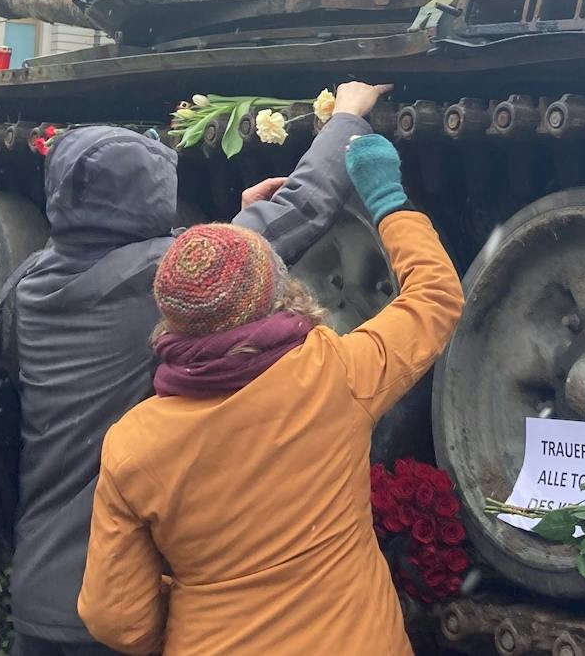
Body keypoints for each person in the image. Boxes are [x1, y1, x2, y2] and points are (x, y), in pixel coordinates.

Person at [1, 81, 389, 656]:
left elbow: (197, 273)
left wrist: (234, 224)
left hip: (39, 588)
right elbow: (301, 209)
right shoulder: (157, 277)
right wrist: (348, 117)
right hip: (117, 606)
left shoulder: (27, 285)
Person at [78, 134, 462, 656]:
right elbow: (434, 297)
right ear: (276, 293)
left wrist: (203, 596)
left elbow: (116, 620)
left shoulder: (133, 445)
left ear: (170, 318)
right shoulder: (332, 374)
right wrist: (388, 201)